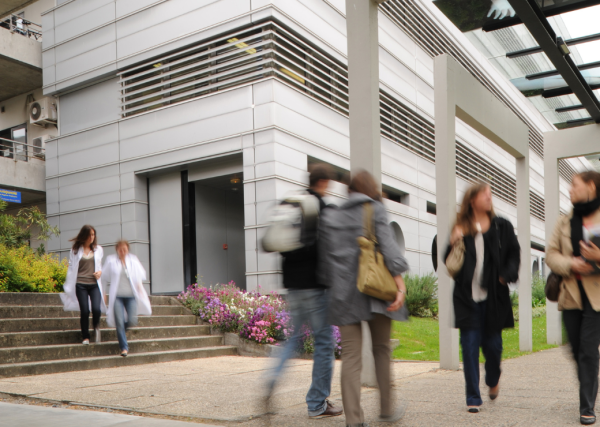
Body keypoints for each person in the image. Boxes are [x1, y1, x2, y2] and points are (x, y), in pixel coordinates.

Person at [319, 170, 409, 427]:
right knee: (381, 351)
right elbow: (390, 250)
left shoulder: (331, 216)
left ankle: (354, 422)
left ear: (349, 190)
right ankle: (386, 410)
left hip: (343, 296)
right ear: (371, 189)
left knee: (351, 358)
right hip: (377, 293)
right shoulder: (375, 209)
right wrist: (400, 285)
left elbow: (325, 264)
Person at [265, 164, 343, 419]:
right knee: (323, 342)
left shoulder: (291, 204)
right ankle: (317, 403)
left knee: (292, 339)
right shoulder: (321, 207)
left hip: (293, 286)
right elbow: (330, 247)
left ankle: (272, 378)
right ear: (324, 182)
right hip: (316, 286)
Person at [445, 182, 520, 413]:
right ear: (472, 200)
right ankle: (473, 397)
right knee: (468, 346)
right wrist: (452, 241)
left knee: (493, 346)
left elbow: (514, 255)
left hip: (493, 298)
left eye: (490, 193)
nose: (489, 197)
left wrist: (503, 277)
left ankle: (493, 377)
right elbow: (448, 261)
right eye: (485, 194)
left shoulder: (501, 226)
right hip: (466, 298)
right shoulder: (460, 227)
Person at [546, 171, 600, 426]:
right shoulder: (565, 221)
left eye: (574, 185)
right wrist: (571, 264)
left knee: (589, 351)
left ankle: (586, 407)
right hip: (571, 295)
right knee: (577, 350)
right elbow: (551, 254)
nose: (570, 190)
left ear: (590, 186)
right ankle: (588, 387)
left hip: (597, 296)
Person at [102, 240, 152, 357]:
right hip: (117, 297)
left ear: (127, 249)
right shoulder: (111, 261)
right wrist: (104, 292)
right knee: (119, 322)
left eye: (124, 249)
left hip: (131, 296)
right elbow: (103, 277)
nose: (122, 252)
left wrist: (139, 286)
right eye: (120, 249)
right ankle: (124, 347)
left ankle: (121, 332)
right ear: (117, 250)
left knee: (132, 320)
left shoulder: (133, 260)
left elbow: (141, 274)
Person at [60, 225, 105, 345]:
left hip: (94, 284)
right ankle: (86, 336)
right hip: (80, 284)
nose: (91, 237)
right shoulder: (75, 250)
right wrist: (69, 284)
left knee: (96, 309)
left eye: (93, 235)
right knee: (84, 311)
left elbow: (100, 266)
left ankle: (96, 326)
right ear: (84, 236)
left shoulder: (98, 249)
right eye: (89, 235)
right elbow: (71, 268)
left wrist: (100, 272)